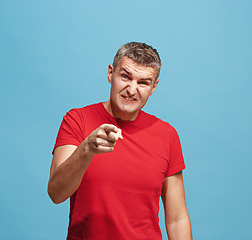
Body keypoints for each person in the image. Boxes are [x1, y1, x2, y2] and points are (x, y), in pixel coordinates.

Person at [48, 42, 192, 240]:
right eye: (125, 76)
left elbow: (177, 218)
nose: (131, 90)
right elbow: (56, 193)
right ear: (110, 73)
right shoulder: (77, 120)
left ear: (153, 87)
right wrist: (87, 148)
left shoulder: (167, 135)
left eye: (143, 82)